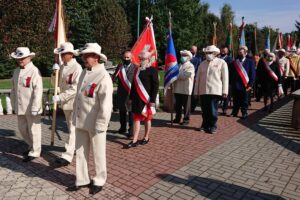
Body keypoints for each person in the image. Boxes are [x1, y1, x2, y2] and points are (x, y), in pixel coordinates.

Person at [67, 43, 113, 195]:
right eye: (84, 55)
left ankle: (99, 179)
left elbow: (106, 104)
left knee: (98, 154)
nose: (84, 58)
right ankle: (82, 179)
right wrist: (75, 117)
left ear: (96, 58)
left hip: (95, 123)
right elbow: (79, 98)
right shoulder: (83, 73)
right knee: (80, 152)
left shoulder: (103, 76)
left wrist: (102, 123)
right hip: (81, 120)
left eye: (88, 56)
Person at [51, 42, 83, 166]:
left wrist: (60, 97)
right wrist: (55, 72)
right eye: (61, 54)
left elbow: (75, 88)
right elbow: (55, 84)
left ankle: (67, 155)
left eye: (64, 54)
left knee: (73, 128)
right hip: (65, 103)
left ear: (71, 54)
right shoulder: (62, 66)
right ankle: (76, 147)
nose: (62, 56)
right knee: (71, 128)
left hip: (74, 102)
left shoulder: (77, 68)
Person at [10, 47, 43, 162]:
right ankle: (31, 146)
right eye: (18, 58)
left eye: (23, 58)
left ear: (29, 57)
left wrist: (36, 106)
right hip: (20, 106)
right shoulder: (16, 71)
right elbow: (13, 89)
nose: (20, 60)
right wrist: (13, 104)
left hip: (31, 106)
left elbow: (38, 90)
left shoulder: (34, 71)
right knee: (22, 128)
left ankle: (35, 151)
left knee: (34, 130)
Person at [126, 51, 159, 148]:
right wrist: (131, 97)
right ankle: (135, 140)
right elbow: (134, 85)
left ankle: (146, 137)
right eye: (140, 59)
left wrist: (152, 101)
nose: (141, 60)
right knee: (136, 118)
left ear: (148, 59)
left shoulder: (153, 70)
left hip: (147, 99)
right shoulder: (137, 70)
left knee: (147, 119)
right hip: (137, 99)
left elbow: (155, 86)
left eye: (143, 59)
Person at [194, 45, 228, 134]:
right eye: (206, 53)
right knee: (204, 110)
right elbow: (198, 79)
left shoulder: (221, 62)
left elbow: (225, 78)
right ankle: (205, 125)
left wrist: (225, 91)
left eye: (210, 53)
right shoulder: (202, 64)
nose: (208, 54)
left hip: (215, 90)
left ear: (215, 53)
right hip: (203, 90)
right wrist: (196, 91)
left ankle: (213, 126)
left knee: (213, 110)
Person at [112, 51, 135, 137]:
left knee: (131, 112)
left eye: (127, 58)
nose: (126, 59)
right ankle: (122, 127)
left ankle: (131, 129)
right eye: (124, 57)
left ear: (131, 58)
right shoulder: (120, 67)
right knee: (122, 111)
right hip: (121, 93)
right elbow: (114, 77)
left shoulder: (135, 67)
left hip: (131, 93)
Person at [230, 46, 256, 119]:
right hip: (235, 84)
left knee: (244, 100)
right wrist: (231, 83)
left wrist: (250, 84)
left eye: (242, 51)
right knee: (235, 99)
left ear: (246, 52)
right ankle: (234, 112)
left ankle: (244, 113)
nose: (240, 52)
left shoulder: (250, 61)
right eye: (239, 50)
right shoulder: (235, 62)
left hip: (245, 84)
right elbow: (231, 73)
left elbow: (253, 74)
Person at [173, 50, 195, 125]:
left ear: (189, 57)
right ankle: (177, 118)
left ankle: (186, 119)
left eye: (185, 55)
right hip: (177, 88)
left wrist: (176, 75)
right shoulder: (178, 65)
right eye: (182, 55)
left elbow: (185, 76)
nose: (183, 57)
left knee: (186, 106)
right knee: (177, 105)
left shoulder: (190, 66)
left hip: (186, 89)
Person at [219, 46, 233, 115]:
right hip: (218, 80)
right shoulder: (218, 58)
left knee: (226, 95)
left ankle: (225, 108)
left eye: (224, 51)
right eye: (222, 50)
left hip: (227, 79)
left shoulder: (230, 59)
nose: (223, 52)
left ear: (227, 52)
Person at [190, 45, 202, 113]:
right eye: (192, 49)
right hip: (188, 79)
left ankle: (192, 108)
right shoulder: (187, 57)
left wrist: (196, 77)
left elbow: (199, 68)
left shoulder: (199, 58)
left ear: (196, 50)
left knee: (194, 94)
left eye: (194, 50)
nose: (193, 51)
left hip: (195, 79)